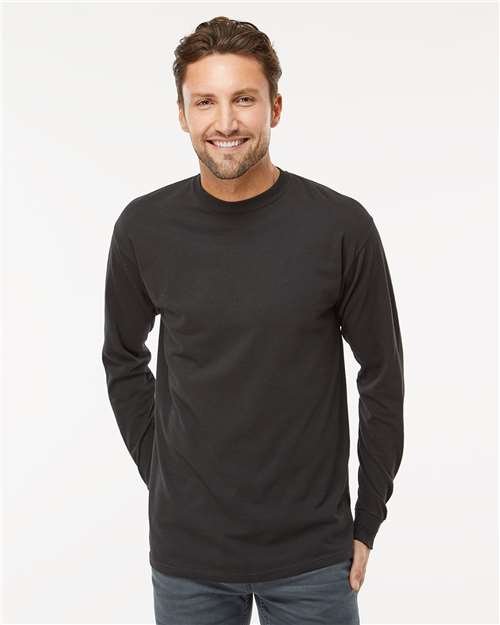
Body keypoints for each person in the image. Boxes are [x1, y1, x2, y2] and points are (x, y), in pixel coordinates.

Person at [101, 15, 404, 625]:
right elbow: (122, 358)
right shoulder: (144, 228)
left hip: (313, 556)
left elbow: (382, 374)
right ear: (182, 114)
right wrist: (162, 470)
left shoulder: (340, 227)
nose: (226, 122)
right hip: (188, 558)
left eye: (244, 99)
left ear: (276, 107)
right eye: (205, 102)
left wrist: (367, 517)